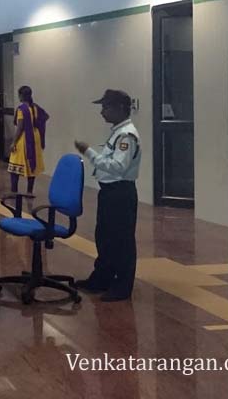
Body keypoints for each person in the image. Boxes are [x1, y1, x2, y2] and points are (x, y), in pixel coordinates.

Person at [74, 89, 141, 302]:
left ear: (120, 108)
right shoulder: (117, 132)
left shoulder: (126, 136)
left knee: (121, 241)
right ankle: (101, 279)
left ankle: (122, 287)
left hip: (120, 193)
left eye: (106, 107)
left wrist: (89, 152)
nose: (102, 112)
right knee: (105, 238)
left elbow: (118, 166)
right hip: (110, 193)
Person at [6, 86, 48, 208]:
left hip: (24, 138)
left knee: (14, 165)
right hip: (35, 137)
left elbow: (20, 127)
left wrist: (14, 142)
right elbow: (44, 117)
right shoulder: (35, 107)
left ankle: (14, 191)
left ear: (21, 95)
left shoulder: (21, 109)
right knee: (32, 163)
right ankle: (29, 191)